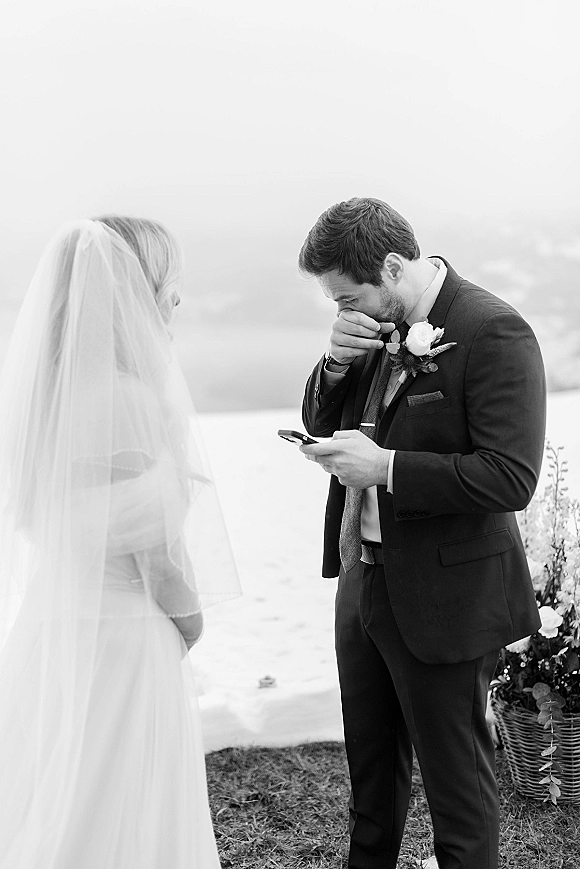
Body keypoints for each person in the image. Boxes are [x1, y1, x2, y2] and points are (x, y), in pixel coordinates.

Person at [298, 198, 546, 869]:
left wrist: (385, 467)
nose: (342, 311)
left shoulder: (495, 330)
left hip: (447, 596)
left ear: (392, 265)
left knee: (457, 793)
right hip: (362, 580)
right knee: (371, 783)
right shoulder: (367, 328)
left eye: (348, 296)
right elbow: (327, 418)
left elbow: (509, 477)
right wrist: (333, 366)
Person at [0, 217, 240, 868]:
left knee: (59, 795)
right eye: (168, 286)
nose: (177, 303)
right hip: (123, 639)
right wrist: (188, 621)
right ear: (133, 295)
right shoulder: (126, 400)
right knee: (123, 816)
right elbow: (152, 550)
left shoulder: (47, 394)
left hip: (53, 625)